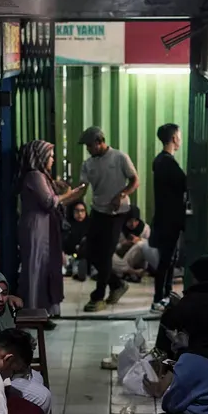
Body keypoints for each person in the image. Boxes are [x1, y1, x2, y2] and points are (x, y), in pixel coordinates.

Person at [0, 270, 54, 414]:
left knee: (37, 379)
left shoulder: (5, 310)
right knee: (41, 395)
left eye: (4, 294)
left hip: (9, 371)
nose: (0, 299)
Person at [18, 141, 84, 316]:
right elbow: (48, 202)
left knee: (45, 267)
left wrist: (65, 193)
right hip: (36, 227)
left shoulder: (42, 176)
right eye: (51, 156)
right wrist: (68, 195)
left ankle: (45, 309)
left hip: (44, 226)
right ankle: (34, 311)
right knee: (36, 267)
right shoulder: (34, 176)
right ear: (41, 157)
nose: (53, 160)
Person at [77, 126, 140, 312]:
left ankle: (98, 296)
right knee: (88, 250)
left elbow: (135, 180)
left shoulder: (120, 157)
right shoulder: (88, 164)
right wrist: (66, 194)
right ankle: (117, 284)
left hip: (117, 213)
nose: (88, 149)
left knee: (105, 254)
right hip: (98, 211)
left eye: (90, 145)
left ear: (100, 141)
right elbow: (82, 188)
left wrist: (121, 195)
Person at [155, 254, 208, 356]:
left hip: (204, 357)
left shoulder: (200, 298)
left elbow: (171, 320)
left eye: (194, 277)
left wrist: (178, 305)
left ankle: (161, 363)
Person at [150, 123, 187, 313]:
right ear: (174, 138)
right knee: (166, 260)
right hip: (168, 220)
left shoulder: (161, 161)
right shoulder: (167, 163)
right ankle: (159, 298)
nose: (180, 138)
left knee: (169, 260)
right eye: (179, 135)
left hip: (166, 219)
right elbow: (184, 183)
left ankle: (166, 295)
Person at [63, 200, 90, 281]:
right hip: (71, 255)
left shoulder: (90, 224)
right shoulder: (67, 225)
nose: (80, 214)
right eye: (77, 211)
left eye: (82, 211)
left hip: (88, 255)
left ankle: (78, 269)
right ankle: (76, 270)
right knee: (74, 258)